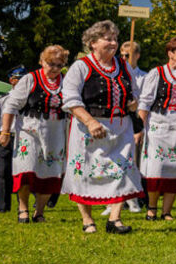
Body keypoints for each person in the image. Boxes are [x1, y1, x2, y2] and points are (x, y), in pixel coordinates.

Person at [62, 20, 145, 234]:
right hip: (89, 128)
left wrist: (133, 102)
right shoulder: (82, 66)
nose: (113, 43)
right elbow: (70, 99)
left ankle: (114, 220)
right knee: (86, 171)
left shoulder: (124, 66)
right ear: (92, 43)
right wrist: (89, 121)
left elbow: (134, 91)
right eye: (107, 39)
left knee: (123, 169)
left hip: (120, 126)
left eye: (115, 39)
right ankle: (87, 220)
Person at [0, 46, 68, 223]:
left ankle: (40, 212)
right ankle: (23, 208)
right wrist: (5, 131)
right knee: (26, 170)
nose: (54, 68)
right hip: (29, 131)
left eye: (59, 65)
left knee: (49, 172)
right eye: (50, 64)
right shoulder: (30, 79)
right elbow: (11, 105)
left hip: (56, 132)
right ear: (41, 61)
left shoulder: (66, 81)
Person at [137, 36, 176, 221]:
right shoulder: (157, 73)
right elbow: (145, 102)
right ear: (170, 53)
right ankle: (151, 208)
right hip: (157, 125)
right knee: (156, 168)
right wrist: (139, 128)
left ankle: (167, 211)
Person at [0, 66, 29, 212]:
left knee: (25, 173)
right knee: (3, 172)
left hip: (26, 138)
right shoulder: (2, 100)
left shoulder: (31, 99)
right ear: (11, 81)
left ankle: (25, 205)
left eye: (25, 79)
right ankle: (4, 208)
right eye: (19, 79)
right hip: (6, 138)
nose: (23, 82)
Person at [118, 40, 147, 214]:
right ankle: (114, 202)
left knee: (134, 163)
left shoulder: (143, 76)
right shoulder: (118, 73)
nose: (124, 58)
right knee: (117, 161)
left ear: (137, 56)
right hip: (118, 122)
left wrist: (140, 127)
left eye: (127, 55)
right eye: (122, 55)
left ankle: (134, 200)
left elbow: (144, 102)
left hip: (135, 123)